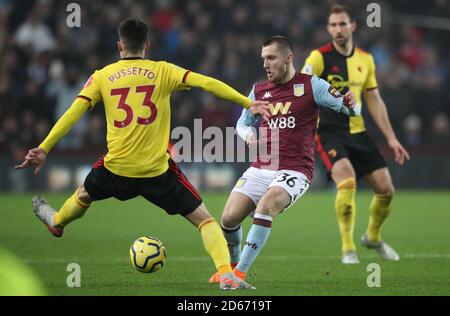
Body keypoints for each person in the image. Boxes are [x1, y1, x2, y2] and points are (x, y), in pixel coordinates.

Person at [15, 18, 271, 290]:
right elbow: (207, 83)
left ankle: (56, 221)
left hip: (116, 168)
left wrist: (44, 147)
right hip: (157, 171)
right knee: (205, 220)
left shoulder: (102, 76)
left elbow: (73, 113)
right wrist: (248, 103)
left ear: (119, 45)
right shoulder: (162, 71)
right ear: (147, 46)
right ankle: (225, 273)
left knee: (84, 195)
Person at [208, 35, 360, 284]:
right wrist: (248, 136)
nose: (265, 64)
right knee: (228, 219)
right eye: (263, 59)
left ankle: (238, 275)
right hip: (262, 165)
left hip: (296, 169)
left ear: (289, 58)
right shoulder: (259, 90)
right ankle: (232, 267)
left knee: (265, 207)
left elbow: (348, 108)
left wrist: (352, 105)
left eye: (271, 58)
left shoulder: (312, 86)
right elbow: (242, 123)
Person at [301, 4, 410, 264]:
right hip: (328, 133)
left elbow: (374, 101)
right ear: (328, 29)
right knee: (347, 181)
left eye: (342, 24)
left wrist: (392, 138)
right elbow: (301, 88)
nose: (338, 29)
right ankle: (348, 249)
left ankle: (372, 238)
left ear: (353, 26)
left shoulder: (366, 59)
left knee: (386, 190)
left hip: (358, 132)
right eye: (333, 25)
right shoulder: (318, 58)